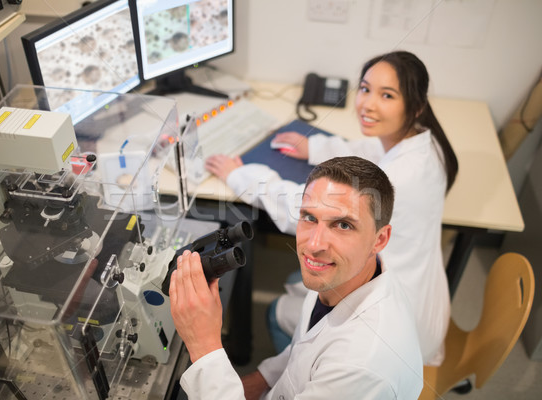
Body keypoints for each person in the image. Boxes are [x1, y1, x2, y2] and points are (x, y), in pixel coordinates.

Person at [205, 50, 458, 365]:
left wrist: (239, 174)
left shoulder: (400, 177)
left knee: (278, 310)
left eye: (387, 95)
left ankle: (303, 371)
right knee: (303, 275)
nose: (367, 104)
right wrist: (314, 147)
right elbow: (370, 153)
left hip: (394, 332)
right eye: (365, 89)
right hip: (417, 298)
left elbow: (301, 208)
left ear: (416, 106)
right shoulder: (425, 143)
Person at [170, 156, 423, 399]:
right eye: (309, 218)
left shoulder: (360, 367)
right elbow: (305, 347)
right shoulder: (344, 274)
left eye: (343, 225)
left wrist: (204, 344)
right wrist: (260, 380)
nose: (314, 245)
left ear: (380, 239)